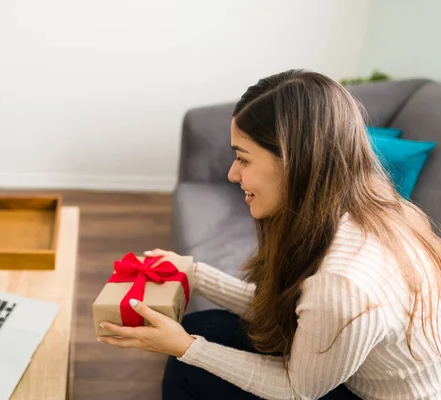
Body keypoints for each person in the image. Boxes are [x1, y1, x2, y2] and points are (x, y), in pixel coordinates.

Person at [97, 70, 441, 399]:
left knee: (188, 366)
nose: (233, 174)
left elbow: (298, 390)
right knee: (207, 324)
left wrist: (186, 348)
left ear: (294, 162)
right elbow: (291, 311)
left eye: (243, 159)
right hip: (348, 372)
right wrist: (194, 273)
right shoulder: (375, 205)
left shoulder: (342, 284)